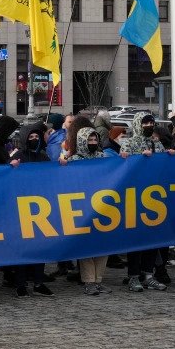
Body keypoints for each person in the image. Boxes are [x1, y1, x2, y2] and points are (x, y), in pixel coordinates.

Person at [119, 112, 175, 292]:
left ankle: (148, 274)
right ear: (138, 124)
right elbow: (123, 163)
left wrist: (169, 156)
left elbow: (162, 164)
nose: (149, 125)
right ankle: (134, 276)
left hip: (154, 198)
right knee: (136, 239)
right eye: (145, 123)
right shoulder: (129, 142)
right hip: (135, 198)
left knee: (152, 238)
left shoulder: (156, 142)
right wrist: (137, 158)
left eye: (151, 122)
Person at [60, 127, 111, 296]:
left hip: (103, 207)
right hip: (83, 208)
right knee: (87, 246)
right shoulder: (74, 159)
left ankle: (98, 280)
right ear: (82, 141)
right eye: (89, 140)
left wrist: (123, 160)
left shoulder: (104, 157)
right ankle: (89, 281)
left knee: (104, 245)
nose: (93, 143)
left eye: (95, 140)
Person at [10, 122, 54, 297]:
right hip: (21, 209)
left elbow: (53, 177)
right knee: (23, 250)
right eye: (31, 137)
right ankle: (21, 284)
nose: (34, 140)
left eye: (37, 137)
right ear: (24, 139)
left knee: (40, 248)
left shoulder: (43, 156)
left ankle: (38, 282)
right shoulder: (19, 155)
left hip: (41, 208)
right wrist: (10, 166)